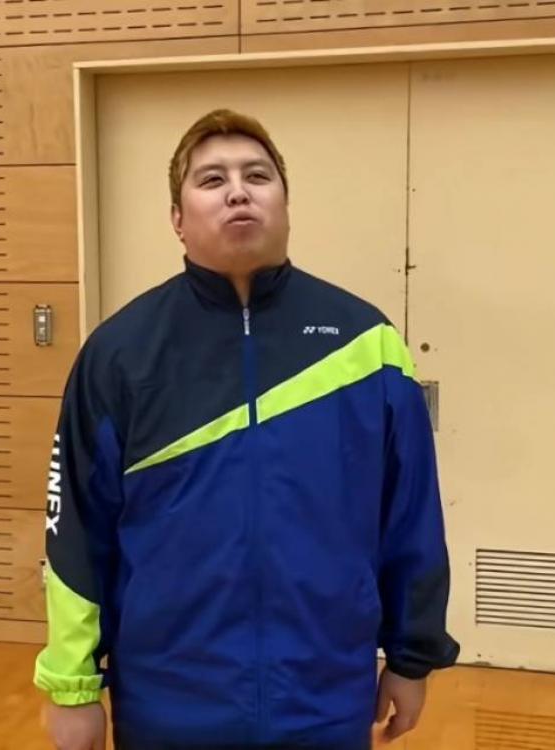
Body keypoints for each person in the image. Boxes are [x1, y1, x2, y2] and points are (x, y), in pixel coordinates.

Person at [34, 108, 459, 750]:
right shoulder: (120, 353)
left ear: (285, 204)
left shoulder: (366, 344)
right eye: (212, 179)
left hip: (324, 696)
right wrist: (73, 687)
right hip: (168, 700)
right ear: (177, 218)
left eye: (257, 175)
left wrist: (411, 657)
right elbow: (74, 532)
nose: (238, 191)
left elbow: (411, 515)